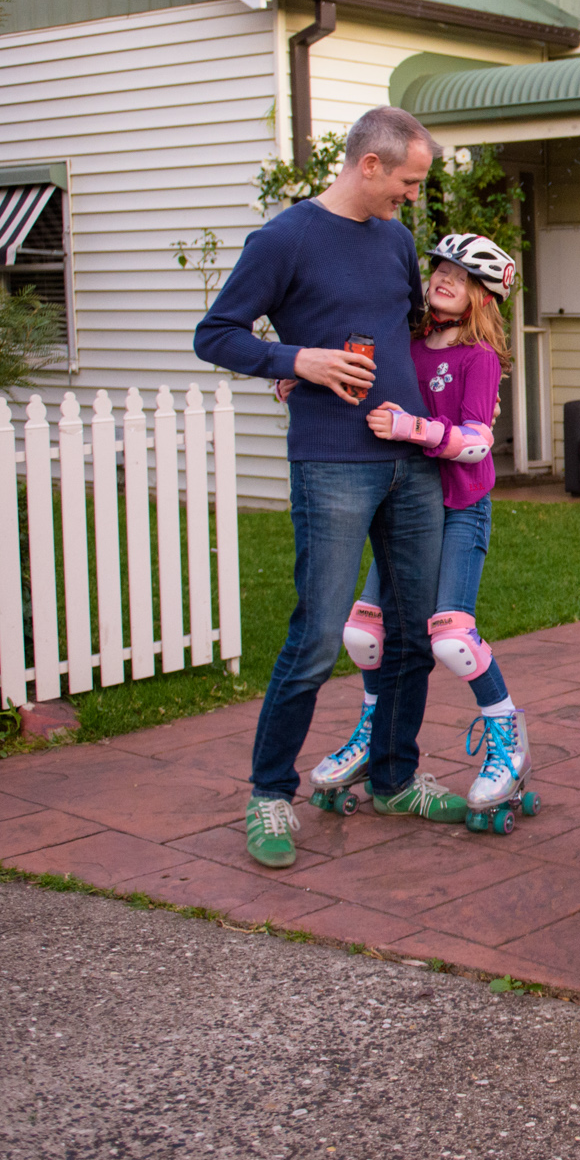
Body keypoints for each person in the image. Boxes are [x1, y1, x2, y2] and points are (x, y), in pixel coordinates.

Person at [195, 106, 463, 870]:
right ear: (369, 165)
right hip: (333, 462)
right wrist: (295, 364)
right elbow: (216, 332)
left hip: (410, 456)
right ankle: (269, 793)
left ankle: (394, 778)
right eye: (408, 181)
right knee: (317, 635)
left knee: (412, 630)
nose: (415, 195)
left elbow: (398, 331)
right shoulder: (285, 239)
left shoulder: (397, 241)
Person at [298, 233, 535, 822]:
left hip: (459, 509)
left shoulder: (479, 359)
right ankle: (376, 736)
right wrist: (301, 381)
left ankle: (507, 737)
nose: (446, 278)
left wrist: (415, 430)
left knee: (451, 638)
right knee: (364, 634)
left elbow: (478, 443)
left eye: (466, 275)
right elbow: (366, 385)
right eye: (442, 267)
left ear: (486, 297)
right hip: (407, 508)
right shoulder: (408, 345)